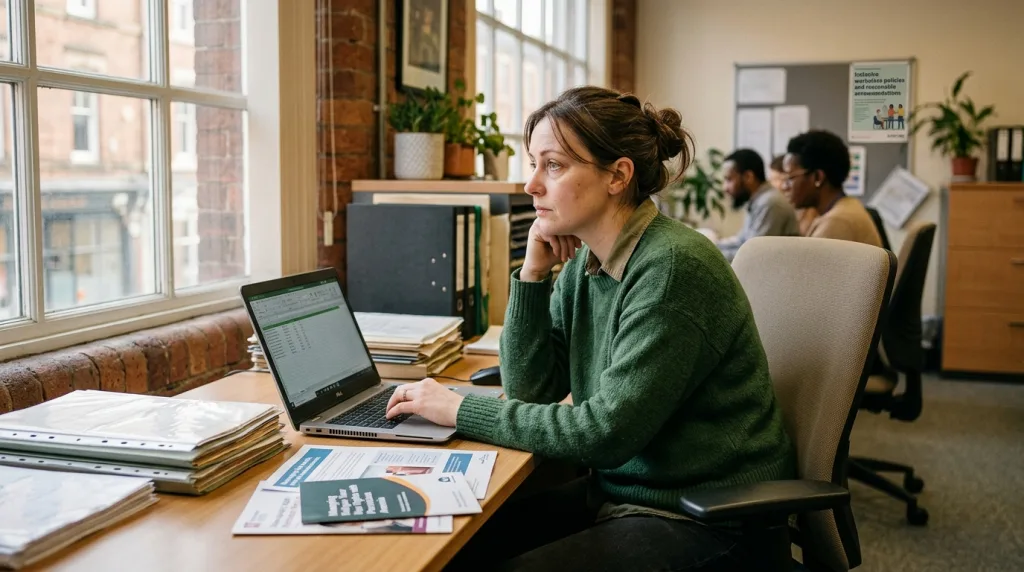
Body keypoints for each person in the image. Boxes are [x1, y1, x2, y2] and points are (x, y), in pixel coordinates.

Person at [385, 86, 796, 571]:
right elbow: (532, 392)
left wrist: (459, 409)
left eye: (553, 165)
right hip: (624, 494)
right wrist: (532, 276)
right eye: (533, 163)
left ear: (617, 176)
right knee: (452, 545)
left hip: (707, 517)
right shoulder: (587, 264)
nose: (531, 185)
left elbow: (604, 434)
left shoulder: (672, 269)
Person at [781, 130, 883, 247]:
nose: (784, 187)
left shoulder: (837, 222)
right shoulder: (845, 206)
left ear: (818, 177)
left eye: (790, 178)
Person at [714, 149, 799, 261]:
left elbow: (753, 255)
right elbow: (741, 243)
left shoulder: (771, 203)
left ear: (748, 177)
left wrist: (709, 256)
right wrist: (710, 247)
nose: (725, 188)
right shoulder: (758, 201)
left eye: (729, 179)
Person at [770, 155, 817, 236]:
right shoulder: (781, 207)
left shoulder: (808, 210)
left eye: (778, 179)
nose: (774, 185)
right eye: (772, 180)